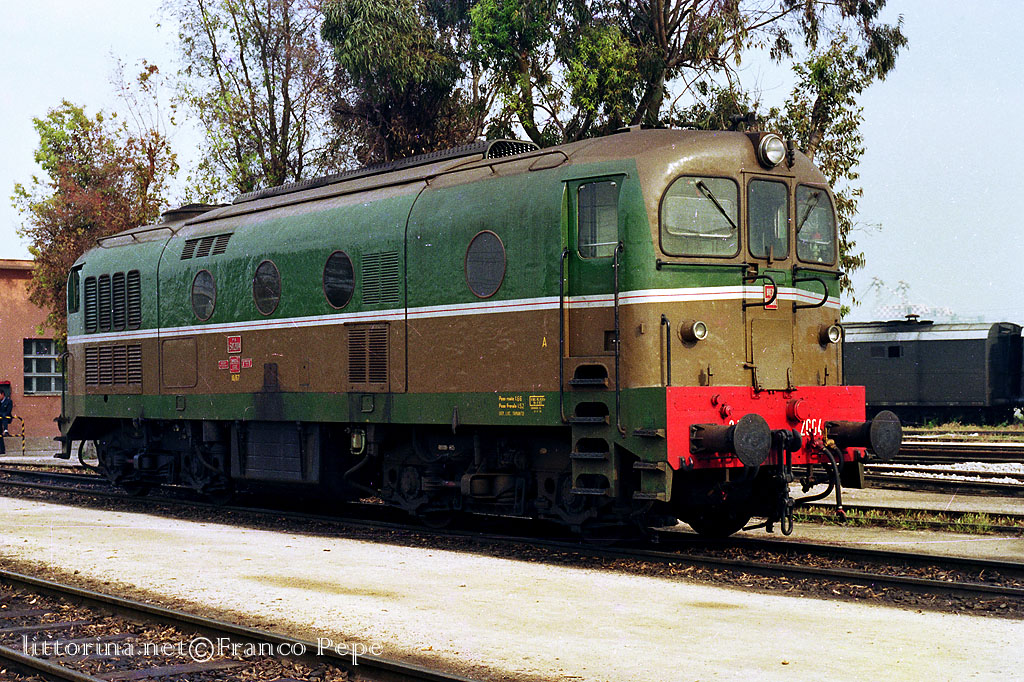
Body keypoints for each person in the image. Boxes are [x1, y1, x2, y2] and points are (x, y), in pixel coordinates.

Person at [0, 388, 12, 455]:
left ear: (2, 394)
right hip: (0, 418)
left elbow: (8, 411)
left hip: (6, 418)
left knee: (5, 415)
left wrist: (2, 414)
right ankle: (2, 450)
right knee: (0, 434)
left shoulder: (8, 401)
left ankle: (6, 430)